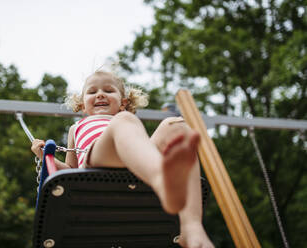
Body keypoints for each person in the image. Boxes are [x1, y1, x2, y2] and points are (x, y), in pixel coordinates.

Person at [31, 70, 214, 248]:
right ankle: (163, 181)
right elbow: (70, 172)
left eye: (108, 91)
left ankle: (192, 226)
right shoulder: (76, 127)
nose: (100, 94)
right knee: (125, 121)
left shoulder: (124, 120)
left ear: (123, 102)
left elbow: (135, 134)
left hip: (137, 163)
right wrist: (46, 157)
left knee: (176, 124)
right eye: (92, 92)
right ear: (82, 105)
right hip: (99, 159)